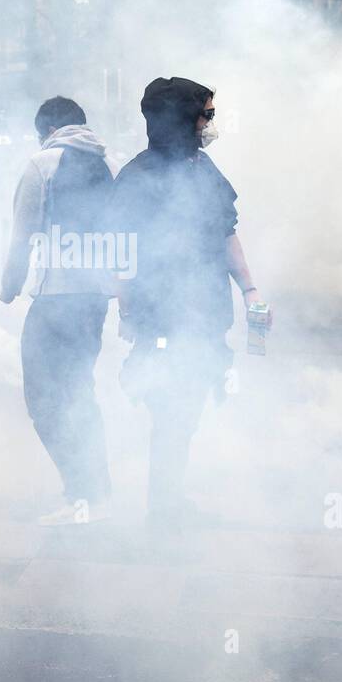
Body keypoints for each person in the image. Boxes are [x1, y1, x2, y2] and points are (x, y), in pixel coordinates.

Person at [109, 77, 270, 531]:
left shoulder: (203, 169)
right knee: (172, 414)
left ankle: (168, 503)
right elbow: (119, 253)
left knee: (184, 415)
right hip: (162, 319)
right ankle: (162, 514)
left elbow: (225, 233)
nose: (210, 123)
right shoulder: (137, 179)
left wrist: (251, 291)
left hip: (203, 317)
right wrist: (128, 311)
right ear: (181, 118)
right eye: (206, 114)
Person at [0, 96, 118, 526]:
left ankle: (85, 495)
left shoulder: (42, 164)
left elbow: (22, 235)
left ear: (46, 129)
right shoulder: (109, 164)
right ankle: (94, 492)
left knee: (45, 399)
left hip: (54, 303)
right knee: (79, 394)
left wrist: (8, 289)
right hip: (93, 303)